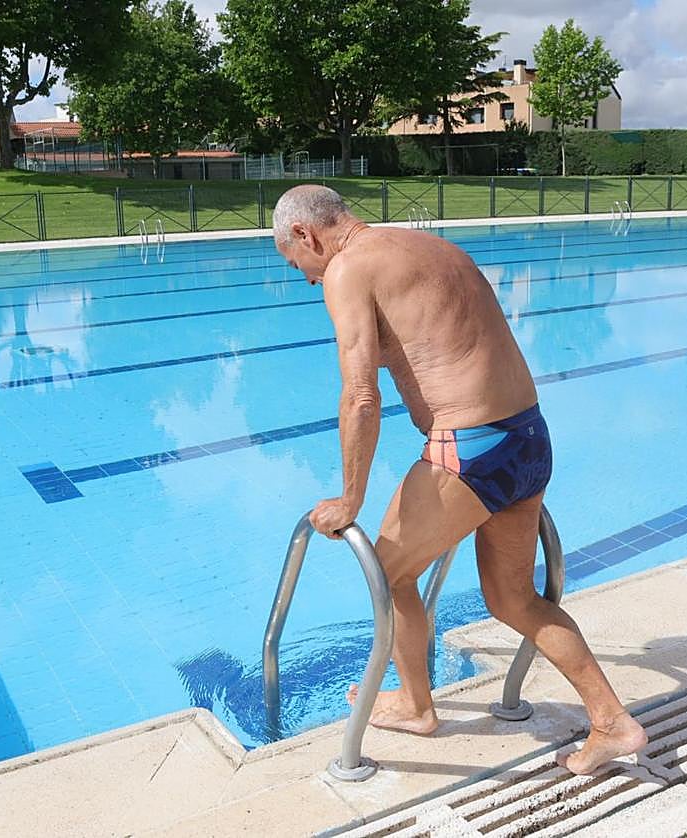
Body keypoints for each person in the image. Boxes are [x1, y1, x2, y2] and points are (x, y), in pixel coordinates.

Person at [272, 184, 646, 775]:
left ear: (305, 234)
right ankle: (612, 721)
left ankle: (416, 705)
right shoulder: (433, 247)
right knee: (514, 598)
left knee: (389, 573)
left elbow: (361, 395)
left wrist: (350, 498)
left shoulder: (348, 267)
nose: (310, 279)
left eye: (299, 266)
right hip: (527, 438)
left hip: (469, 450)